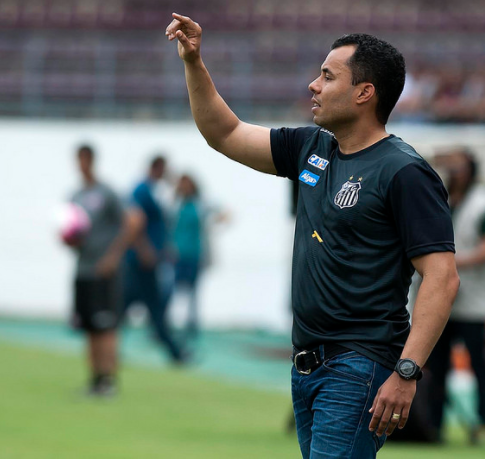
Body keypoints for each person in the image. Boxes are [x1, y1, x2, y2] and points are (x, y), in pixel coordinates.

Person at [166, 14, 459, 458]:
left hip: (358, 365)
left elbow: (442, 277)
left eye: (327, 76)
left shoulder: (404, 172)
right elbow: (224, 133)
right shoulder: (312, 147)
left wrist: (406, 371)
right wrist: (194, 62)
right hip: (306, 364)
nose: (313, 86)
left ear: (364, 93)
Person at [427, 148, 485, 445]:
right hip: (441, 297)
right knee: (436, 366)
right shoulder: (440, 196)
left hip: (472, 299)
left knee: (478, 365)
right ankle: (434, 425)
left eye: (459, 165)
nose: (452, 171)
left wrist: (451, 263)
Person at [65, 145, 142, 396]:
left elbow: (133, 220)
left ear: (92, 160)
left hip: (104, 272)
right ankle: (95, 379)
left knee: (106, 326)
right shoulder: (74, 196)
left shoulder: (106, 192)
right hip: (83, 269)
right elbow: (71, 231)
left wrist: (113, 257)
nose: (82, 164)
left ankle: (109, 381)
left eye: (85, 159)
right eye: (79, 160)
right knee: (88, 327)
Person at [122, 156, 188, 364]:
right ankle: (175, 352)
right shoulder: (142, 190)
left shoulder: (153, 190)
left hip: (148, 260)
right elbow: (134, 221)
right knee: (154, 307)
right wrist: (144, 250)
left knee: (132, 305)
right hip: (142, 261)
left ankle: (174, 351)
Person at [170, 173, 225, 340]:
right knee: (171, 290)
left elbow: (223, 212)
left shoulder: (200, 204)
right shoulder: (174, 204)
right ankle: (169, 324)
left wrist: (213, 225)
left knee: (193, 293)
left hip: (195, 254)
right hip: (176, 255)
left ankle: (191, 325)